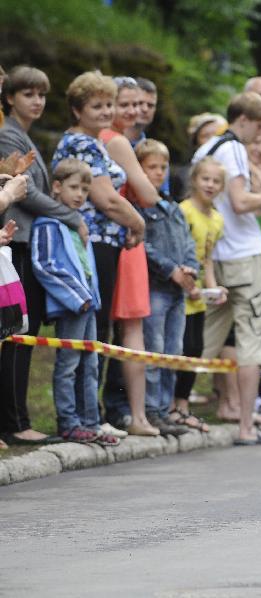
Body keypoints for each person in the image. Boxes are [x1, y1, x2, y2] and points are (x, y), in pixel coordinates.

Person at [191, 91, 261, 446]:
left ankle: (176, 407)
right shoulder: (233, 148)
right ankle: (247, 425)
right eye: (258, 128)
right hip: (246, 256)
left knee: (204, 337)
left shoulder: (204, 150)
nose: (256, 139)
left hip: (215, 255)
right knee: (252, 342)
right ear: (244, 121)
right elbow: (240, 203)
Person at [51, 71, 146, 438]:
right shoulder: (83, 146)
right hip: (91, 244)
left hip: (104, 244)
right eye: (97, 105)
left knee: (100, 330)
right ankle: (81, 417)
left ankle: (91, 416)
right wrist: (138, 223)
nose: (106, 111)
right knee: (94, 330)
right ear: (77, 109)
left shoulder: (95, 143)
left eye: (109, 104)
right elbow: (105, 199)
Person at [0, 65, 84, 446]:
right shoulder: (8, 137)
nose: (37, 101)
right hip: (15, 243)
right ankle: (15, 422)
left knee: (24, 333)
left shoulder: (23, 137)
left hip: (24, 241)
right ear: (11, 97)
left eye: (42, 94)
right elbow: (28, 193)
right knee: (18, 333)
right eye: (28, 93)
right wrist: (70, 216)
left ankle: (17, 419)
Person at [31, 159, 118, 446]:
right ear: (56, 187)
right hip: (72, 306)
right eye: (73, 187)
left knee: (90, 364)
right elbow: (44, 265)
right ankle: (68, 422)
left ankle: (90, 422)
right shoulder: (47, 224)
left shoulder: (79, 225)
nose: (80, 194)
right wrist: (77, 297)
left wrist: (92, 298)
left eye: (85, 189)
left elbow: (86, 267)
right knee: (68, 365)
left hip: (88, 305)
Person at [98, 76, 163, 435]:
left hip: (120, 238)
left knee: (116, 328)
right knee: (129, 328)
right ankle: (132, 413)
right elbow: (149, 194)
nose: (134, 110)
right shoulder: (118, 141)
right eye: (125, 104)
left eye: (139, 104)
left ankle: (123, 411)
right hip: (126, 239)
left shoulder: (108, 139)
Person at [137, 139, 207, 434]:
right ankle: (151, 409)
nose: (159, 172)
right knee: (154, 351)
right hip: (156, 288)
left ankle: (166, 408)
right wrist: (170, 270)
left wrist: (191, 269)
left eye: (163, 167)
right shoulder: (141, 209)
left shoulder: (174, 209)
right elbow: (145, 247)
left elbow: (190, 244)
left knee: (173, 351)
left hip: (179, 292)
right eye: (151, 167)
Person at [173, 157, 228, 418]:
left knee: (195, 348)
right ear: (194, 180)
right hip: (179, 292)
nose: (210, 185)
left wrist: (213, 288)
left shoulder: (217, 219)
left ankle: (183, 403)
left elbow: (208, 257)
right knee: (179, 348)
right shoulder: (184, 211)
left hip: (197, 296)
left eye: (216, 181)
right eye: (205, 179)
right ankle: (171, 403)